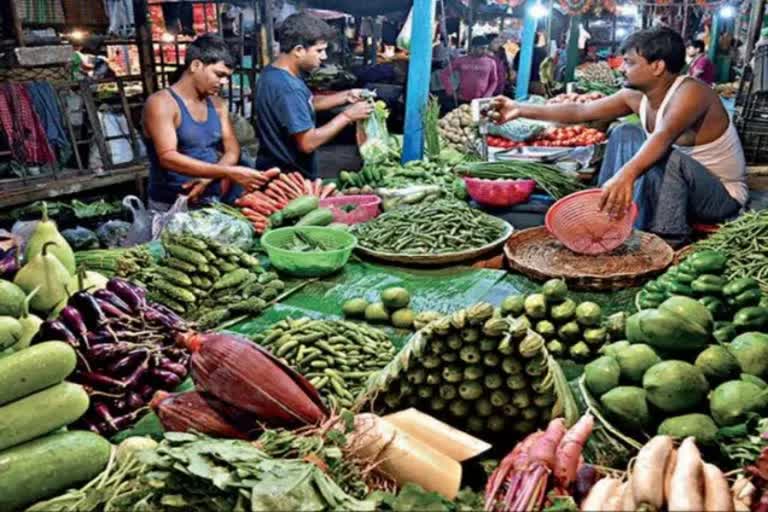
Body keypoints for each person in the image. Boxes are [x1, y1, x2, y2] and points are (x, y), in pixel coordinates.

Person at [487, 26, 747, 246]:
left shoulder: (692, 92)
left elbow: (663, 135)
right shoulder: (634, 96)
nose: (622, 68)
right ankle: (610, 219)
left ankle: (668, 238)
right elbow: (581, 110)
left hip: (720, 197)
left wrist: (625, 175)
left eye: (630, 62)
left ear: (657, 66)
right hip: (677, 189)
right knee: (623, 131)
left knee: (667, 156)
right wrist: (519, 109)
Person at [143, 34, 270, 211]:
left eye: (227, 77)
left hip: (211, 198)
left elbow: (232, 150)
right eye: (219, 74)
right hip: (170, 203)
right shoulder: (161, 103)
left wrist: (207, 179)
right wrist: (228, 172)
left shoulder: (218, 104)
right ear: (196, 65)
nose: (224, 82)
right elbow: (168, 157)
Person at [255, 13, 373, 178]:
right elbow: (308, 143)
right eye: (319, 50)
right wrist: (347, 116)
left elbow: (304, 104)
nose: (323, 57)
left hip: (272, 168)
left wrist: (346, 96)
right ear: (299, 50)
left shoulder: (273, 73)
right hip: (289, 179)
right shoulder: (289, 88)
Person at [439, 36, 499, 102]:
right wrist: (450, 90)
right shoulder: (461, 60)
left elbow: (494, 80)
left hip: (480, 100)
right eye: (482, 48)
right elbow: (444, 74)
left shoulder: (491, 62)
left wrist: (487, 95)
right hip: (462, 99)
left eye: (486, 48)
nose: (485, 51)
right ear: (473, 48)